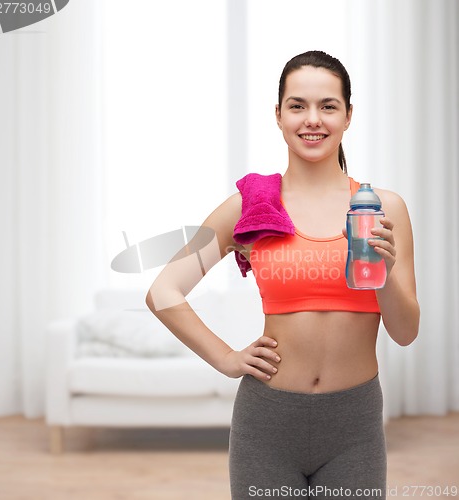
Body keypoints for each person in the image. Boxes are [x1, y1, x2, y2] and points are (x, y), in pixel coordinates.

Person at [146, 50, 419, 499]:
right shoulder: (250, 206)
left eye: (328, 106)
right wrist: (226, 358)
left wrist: (385, 274)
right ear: (278, 115)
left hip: (354, 425)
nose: (313, 119)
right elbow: (164, 290)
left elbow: (405, 332)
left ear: (348, 115)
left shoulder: (383, 209)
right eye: (297, 105)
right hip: (267, 422)